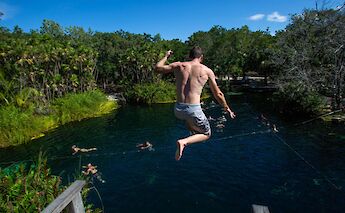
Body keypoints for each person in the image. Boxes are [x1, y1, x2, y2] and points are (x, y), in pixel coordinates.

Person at [155, 46, 236, 161]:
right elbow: (218, 94)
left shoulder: (179, 65)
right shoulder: (207, 71)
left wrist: (166, 56)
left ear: (189, 56)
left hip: (178, 109)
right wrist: (227, 108)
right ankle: (184, 142)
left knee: (190, 122)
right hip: (193, 110)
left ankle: (191, 132)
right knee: (207, 134)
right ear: (201, 57)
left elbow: (157, 68)